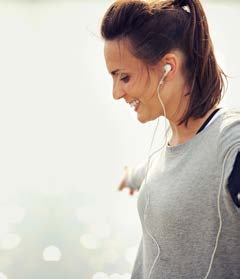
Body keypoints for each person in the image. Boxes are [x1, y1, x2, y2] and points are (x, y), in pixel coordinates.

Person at [100, 0, 240, 278]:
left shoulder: (230, 143)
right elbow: (168, 171)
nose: (116, 93)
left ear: (168, 68)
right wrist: (130, 177)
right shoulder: (169, 141)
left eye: (124, 77)